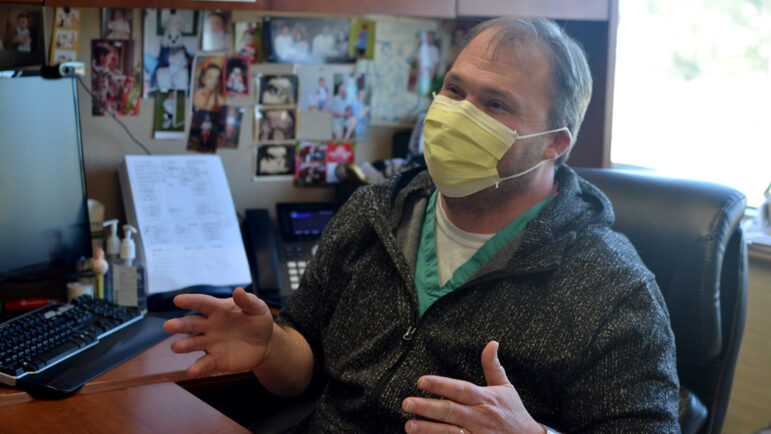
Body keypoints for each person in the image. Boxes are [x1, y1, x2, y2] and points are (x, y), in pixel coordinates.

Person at [164, 17, 680, 432]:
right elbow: (304, 368)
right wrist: (271, 346)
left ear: (554, 143)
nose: (458, 114)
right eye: (454, 90)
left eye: (494, 104)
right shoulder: (373, 213)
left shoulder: (613, 291)